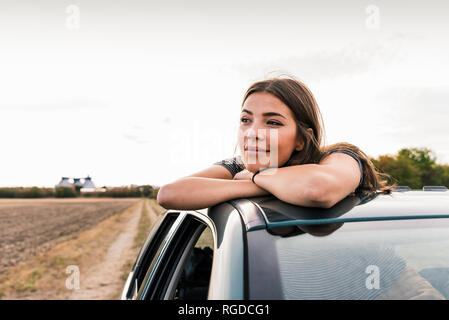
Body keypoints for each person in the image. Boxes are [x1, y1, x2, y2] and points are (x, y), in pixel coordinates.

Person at [157, 75, 396, 210]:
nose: (253, 132)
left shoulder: (340, 157)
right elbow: (170, 194)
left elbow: (317, 190)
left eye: (273, 123)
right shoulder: (235, 167)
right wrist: (259, 181)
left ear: (302, 139)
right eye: (245, 120)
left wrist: (254, 179)